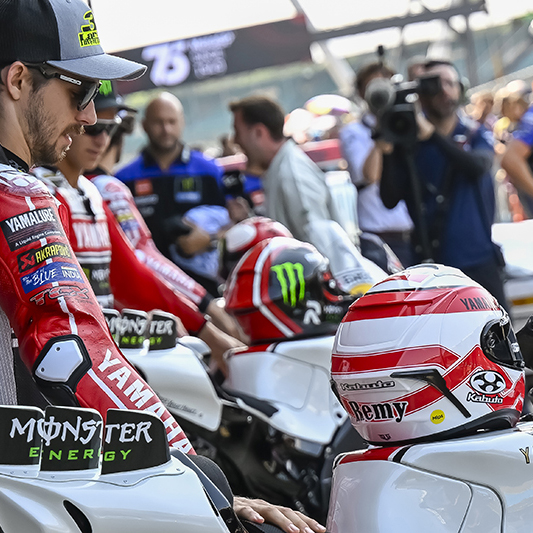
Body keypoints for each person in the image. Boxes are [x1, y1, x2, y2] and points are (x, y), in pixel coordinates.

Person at [0, 2, 325, 531]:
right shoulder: (16, 193)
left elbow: (139, 266)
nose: (92, 119)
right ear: (18, 80)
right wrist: (196, 474)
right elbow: (70, 351)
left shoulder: (82, 191)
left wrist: (206, 314)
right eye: (81, 92)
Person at [32, 89, 244, 373]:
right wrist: (206, 314)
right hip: (62, 359)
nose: (103, 140)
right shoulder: (41, 193)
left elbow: (131, 273)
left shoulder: (89, 191)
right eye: (93, 128)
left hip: (101, 352)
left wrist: (204, 326)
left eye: (110, 129)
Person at [379, 59, 509, 311]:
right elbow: (389, 199)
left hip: (480, 263)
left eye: (450, 83)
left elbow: (477, 167)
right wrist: (387, 149)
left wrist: (432, 136)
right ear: (420, 93)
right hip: (432, 272)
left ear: (460, 88)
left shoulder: (474, 134)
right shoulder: (409, 144)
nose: (443, 91)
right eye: (434, 84)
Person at [115, 92, 228, 297]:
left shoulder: (210, 170)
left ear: (182, 122)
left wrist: (210, 239)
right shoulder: (123, 179)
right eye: (158, 122)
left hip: (207, 289)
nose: (166, 129)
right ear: (144, 125)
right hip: (150, 289)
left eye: (171, 122)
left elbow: (236, 224)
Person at [228, 95, 339, 251]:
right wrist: (248, 219)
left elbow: (320, 249)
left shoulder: (292, 174)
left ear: (259, 132)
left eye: (237, 132)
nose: (235, 141)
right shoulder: (281, 169)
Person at [339, 61, 414, 267]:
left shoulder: (407, 123)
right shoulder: (353, 132)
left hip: (414, 234)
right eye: (374, 88)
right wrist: (381, 134)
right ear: (361, 93)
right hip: (379, 237)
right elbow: (370, 175)